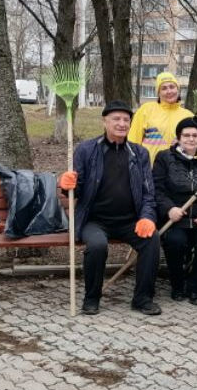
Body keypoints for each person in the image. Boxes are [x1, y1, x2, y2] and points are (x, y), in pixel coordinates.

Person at [58, 100, 162, 316]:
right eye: (116, 118)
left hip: (129, 220)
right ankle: (91, 297)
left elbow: (148, 192)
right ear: (104, 121)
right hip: (95, 220)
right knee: (97, 246)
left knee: (152, 240)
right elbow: (76, 190)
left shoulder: (139, 153)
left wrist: (147, 217)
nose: (122, 123)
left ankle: (143, 298)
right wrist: (67, 185)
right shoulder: (87, 150)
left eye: (126, 119)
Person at [152, 117, 197, 306]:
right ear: (178, 138)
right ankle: (177, 285)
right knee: (175, 241)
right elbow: (157, 189)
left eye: (195, 135)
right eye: (186, 135)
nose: (191, 139)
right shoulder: (164, 158)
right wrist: (169, 209)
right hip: (176, 219)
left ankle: (195, 287)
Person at [128, 72, 193, 164]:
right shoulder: (146, 110)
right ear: (158, 93)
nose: (169, 91)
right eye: (164, 88)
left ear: (177, 89)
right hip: (149, 169)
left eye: (172, 87)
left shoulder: (188, 116)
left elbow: (194, 145)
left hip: (179, 169)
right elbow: (133, 141)